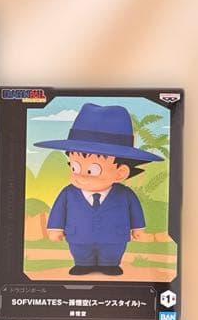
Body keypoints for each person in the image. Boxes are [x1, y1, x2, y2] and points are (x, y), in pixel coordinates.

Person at [34, 103, 163, 276]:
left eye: (92, 170)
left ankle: (110, 264)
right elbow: (59, 211)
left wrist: (138, 228)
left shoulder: (125, 194)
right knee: (80, 252)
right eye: (75, 167)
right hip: (79, 237)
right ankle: (83, 264)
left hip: (114, 237)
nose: (81, 176)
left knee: (112, 252)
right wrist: (55, 229)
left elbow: (135, 211)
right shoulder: (68, 193)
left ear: (120, 172)